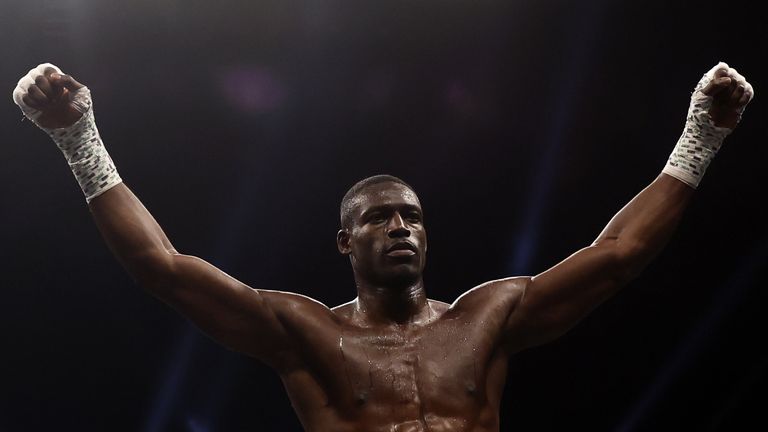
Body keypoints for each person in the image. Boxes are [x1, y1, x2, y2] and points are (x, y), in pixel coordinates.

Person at [12, 61, 753, 432]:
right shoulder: (306, 331)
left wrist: (702, 135)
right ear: (344, 241)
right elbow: (164, 269)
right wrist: (78, 138)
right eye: (377, 218)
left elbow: (618, 254)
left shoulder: (487, 317)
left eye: (410, 216)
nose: (399, 226)